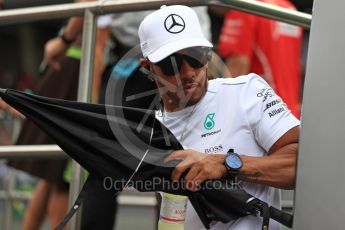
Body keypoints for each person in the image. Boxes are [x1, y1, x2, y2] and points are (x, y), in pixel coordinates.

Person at [138, 5, 299, 229]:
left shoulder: (246, 91)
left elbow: (302, 164)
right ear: (148, 68)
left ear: (208, 54)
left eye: (196, 57)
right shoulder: (150, 129)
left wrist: (227, 164)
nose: (188, 73)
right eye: (171, 64)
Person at [217, 0, 303, 118]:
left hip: (263, 114)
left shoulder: (246, 7)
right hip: (290, 113)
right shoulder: (290, 9)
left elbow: (237, 66)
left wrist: (220, 112)